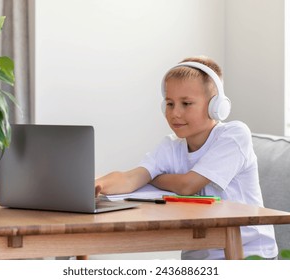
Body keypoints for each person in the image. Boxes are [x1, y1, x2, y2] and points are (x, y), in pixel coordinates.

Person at [95, 55, 278, 260]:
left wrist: (154, 177)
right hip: (198, 257)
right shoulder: (170, 146)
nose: (175, 113)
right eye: (170, 104)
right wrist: (94, 185)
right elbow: (130, 178)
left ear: (216, 106)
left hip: (248, 254)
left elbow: (188, 185)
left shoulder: (234, 135)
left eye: (186, 103)